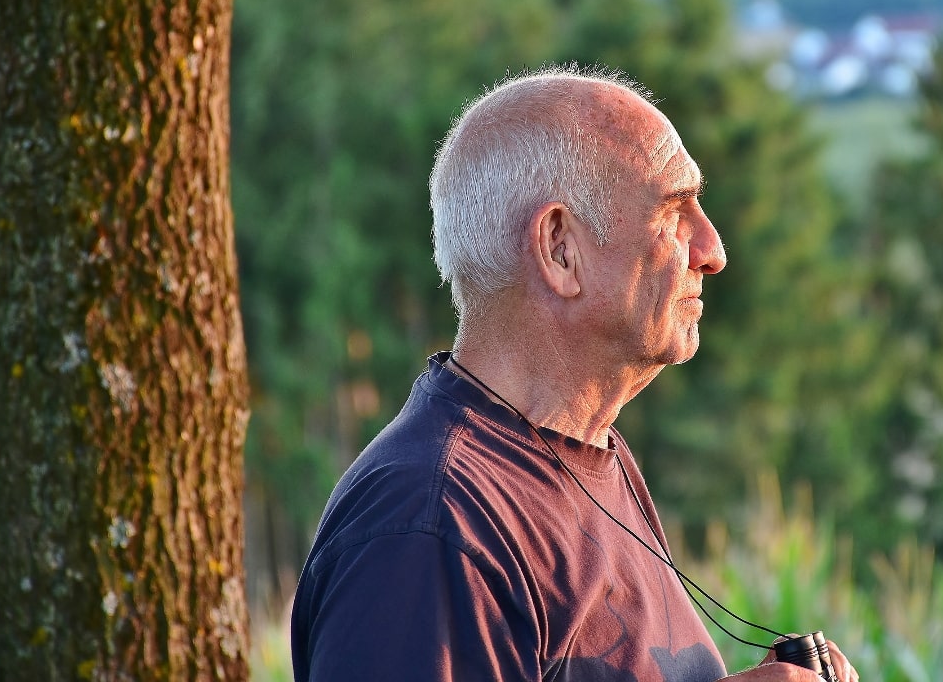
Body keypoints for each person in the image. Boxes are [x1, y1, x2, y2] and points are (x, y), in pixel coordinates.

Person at [290, 67, 859, 681]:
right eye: (674, 212)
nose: (712, 249)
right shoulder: (429, 526)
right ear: (560, 248)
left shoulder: (589, 453)